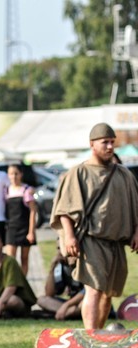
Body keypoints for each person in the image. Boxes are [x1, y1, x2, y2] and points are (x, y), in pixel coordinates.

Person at [50, 122, 138, 329]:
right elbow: (64, 209)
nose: (109, 146)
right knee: (94, 290)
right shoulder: (78, 173)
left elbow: (136, 206)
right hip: (91, 240)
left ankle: (97, 336)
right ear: (92, 144)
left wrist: (136, 232)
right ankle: (91, 336)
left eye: (112, 142)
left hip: (115, 243)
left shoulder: (124, 174)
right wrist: (70, 236)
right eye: (104, 142)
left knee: (108, 295)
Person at [4, 164, 38, 276]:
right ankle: (12, 282)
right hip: (11, 228)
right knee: (10, 259)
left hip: (24, 228)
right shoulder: (7, 191)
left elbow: (33, 211)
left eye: (16, 173)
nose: (13, 177)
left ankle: (23, 283)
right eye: (11, 174)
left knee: (24, 258)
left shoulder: (26, 190)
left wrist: (31, 231)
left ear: (21, 174)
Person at [35, 250, 84, 321]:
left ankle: (69, 312)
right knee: (41, 300)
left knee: (83, 304)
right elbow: (49, 294)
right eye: (58, 249)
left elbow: (86, 291)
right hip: (71, 304)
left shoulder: (85, 264)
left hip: (83, 301)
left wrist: (66, 305)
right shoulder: (62, 266)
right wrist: (52, 268)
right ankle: (70, 313)